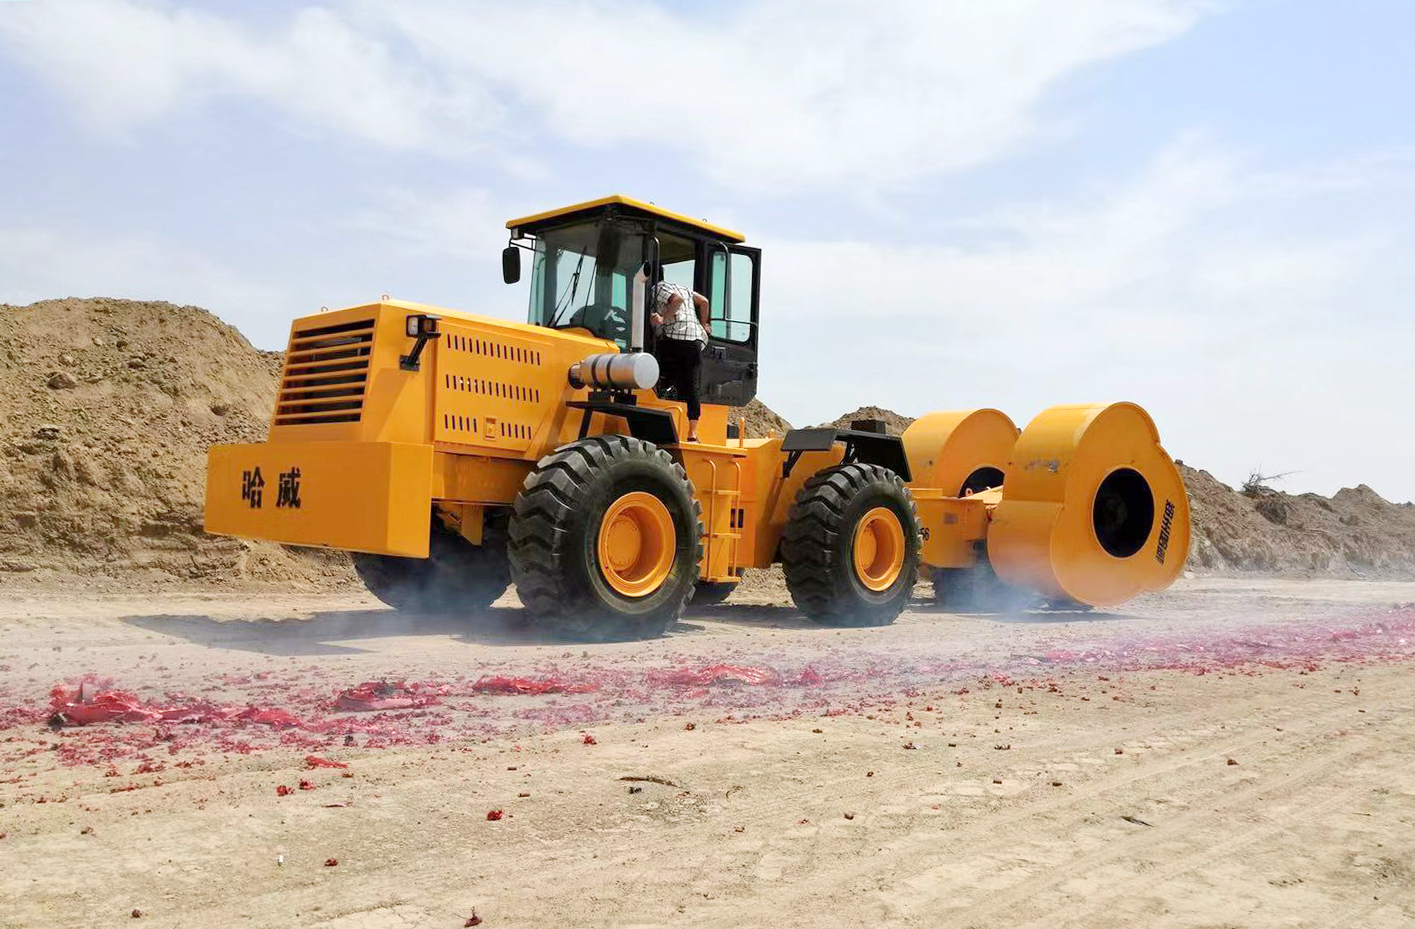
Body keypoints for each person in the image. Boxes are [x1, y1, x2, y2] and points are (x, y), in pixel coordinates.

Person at [650, 276, 711, 442]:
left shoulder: (658, 287)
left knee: (653, 363)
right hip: (696, 341)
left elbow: (677, 301)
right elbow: (704, 301)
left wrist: (663, 319)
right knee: (692, 385)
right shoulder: (683, 287)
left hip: (677, 338)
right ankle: (692, 432)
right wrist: (704, 324)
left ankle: (658, 400)